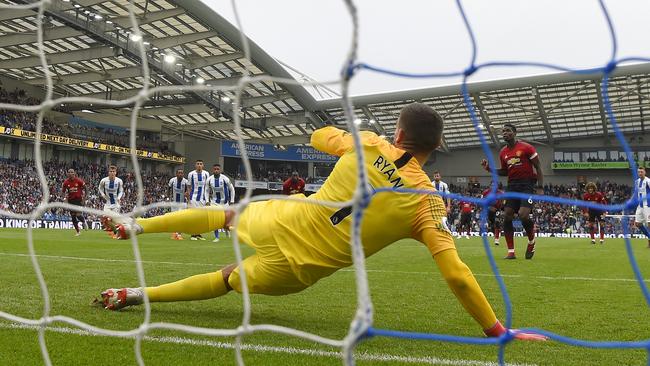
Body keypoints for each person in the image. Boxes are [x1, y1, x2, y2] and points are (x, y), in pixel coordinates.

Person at [99, 103, 545, 341]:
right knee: (227, 278)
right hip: (301, 269)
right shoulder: (428, 203)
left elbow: (315, 136)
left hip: (284, 218)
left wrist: (345, 135)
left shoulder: (368, 144)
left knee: (228, 213)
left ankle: (136, 226)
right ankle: (137, 294)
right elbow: (458, 275)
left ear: (398, 134)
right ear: (437, 147)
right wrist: (497, 329)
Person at [481, 123, 543, 260]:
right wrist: (489, 169)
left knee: (523, 214)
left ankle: (532, 241)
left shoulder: (527, 148)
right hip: (512, 186)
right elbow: (504, 171)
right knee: (507, 215)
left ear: (514, 133)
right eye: (503, 131)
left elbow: (538, 167)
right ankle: (511, 251)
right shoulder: (503, 152)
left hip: (527, 185)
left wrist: (540, 187)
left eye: (508, 131)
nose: (504, 133)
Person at [206, 164, 235, 242]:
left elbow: (232, 189)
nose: (216, 170)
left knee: (226, 219)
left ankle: (227, 232)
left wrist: (232, 201)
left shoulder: (225, 179)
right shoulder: (209, 180)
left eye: (217, 169)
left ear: (220, 170)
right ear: (213, 170)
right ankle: (216, 237)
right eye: (215, 169)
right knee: (215, 219)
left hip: (225, 202)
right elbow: (206, 190)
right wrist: (207, 201)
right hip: (214, 202)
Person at [98, 165, 125, 239]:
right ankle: (115, 231)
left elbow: (121, 191)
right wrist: (103, 194)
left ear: (116, 173)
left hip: (116, 203)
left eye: (113, 171)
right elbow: (100, 188)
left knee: (115, 220)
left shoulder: (119, 181)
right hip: (108, 203)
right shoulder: (103, 181)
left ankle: (119, 233)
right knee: (105, 218)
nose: (112, 173)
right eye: (110, 171)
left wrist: (119, 198)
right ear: (108, 172)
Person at [187, 160, 210, 241]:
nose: (199, 165)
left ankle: (199, 234)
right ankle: (193, 234)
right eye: (198, 164)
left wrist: (207, 200)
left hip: (203, 199)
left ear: (203, 165)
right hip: (193, 198)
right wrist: (188, 199)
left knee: (201, 217)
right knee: (193, 216)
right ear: (195, 165)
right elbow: (189, 187)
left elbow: (207, 188)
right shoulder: (191, 174)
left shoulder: (206, 174)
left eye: (201, 164)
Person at [62, 168, 88, 236]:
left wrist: (84, 199)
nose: (70, 173)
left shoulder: (79, 181)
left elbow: (86, 188)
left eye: (72, 172)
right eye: (69, 172)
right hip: (71, 200)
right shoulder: (66, 182)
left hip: (78, 200)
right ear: (67, 174)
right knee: (73, 216)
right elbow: (63, 192)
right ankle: (78, 232)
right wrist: (65, 199)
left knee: (78, 214)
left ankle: (84, 221)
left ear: (74, 173)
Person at [167, 168, 189, 240]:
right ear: (176, 174)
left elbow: (188, 191)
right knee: (174, 219)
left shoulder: (185, 182)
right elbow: (168, 189)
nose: (180, 174)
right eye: (179, 173)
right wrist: (168, 198)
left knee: (181, 219)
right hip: (174, 203)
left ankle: (179, 234)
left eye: (181, 173)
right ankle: (174, 234)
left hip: (182, 203)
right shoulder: (172, 180)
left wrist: (187, 195)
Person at [634, 167, 650, 248]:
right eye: (639, 172)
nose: (640, 173)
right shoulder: (636, 182)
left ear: (645, 172)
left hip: (648, 206)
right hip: (639, 206)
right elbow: (636, 194)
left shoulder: (648, 181)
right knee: (638, 224)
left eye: (641, 172)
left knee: (649, 224)